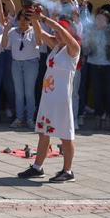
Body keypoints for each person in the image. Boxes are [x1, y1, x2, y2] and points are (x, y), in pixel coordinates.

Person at [17, 12, 82, 183]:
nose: (55, 34)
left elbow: (60, 31)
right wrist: (34, 19)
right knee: (43, 133)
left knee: (66, 137)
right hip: (48, 98)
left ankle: (68, 171)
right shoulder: (56, 47)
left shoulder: (73, 49)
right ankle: (38, 168)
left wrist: (46, 19)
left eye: (60, 32)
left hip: (61, 100)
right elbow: (40, 35)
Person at [85, 0, 110, 130]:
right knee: (97, 92)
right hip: (95, 64)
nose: (98, 21)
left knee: (109, 92)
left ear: (107, 21)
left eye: (101, 19)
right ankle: (98, 116)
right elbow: (84, 20)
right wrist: (84, 6)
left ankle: (108, 116)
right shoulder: (91, 30)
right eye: (97, 19)